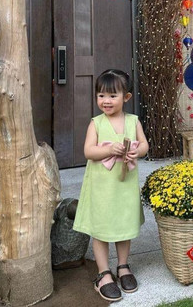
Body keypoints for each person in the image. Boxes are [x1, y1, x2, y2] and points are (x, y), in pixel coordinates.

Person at [73, 69, 149, 302]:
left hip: (125, 185)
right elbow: (89, 151)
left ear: (126, 97)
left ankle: (123, 266)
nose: (106, 101)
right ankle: (103, 273)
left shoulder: (133, 121)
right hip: (102, 188)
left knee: (123, 224)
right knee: (102, 227)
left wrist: (137, 151)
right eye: (101, 95)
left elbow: (144, 145)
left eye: (112, 96)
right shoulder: (96, 123)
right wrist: (108, 150)